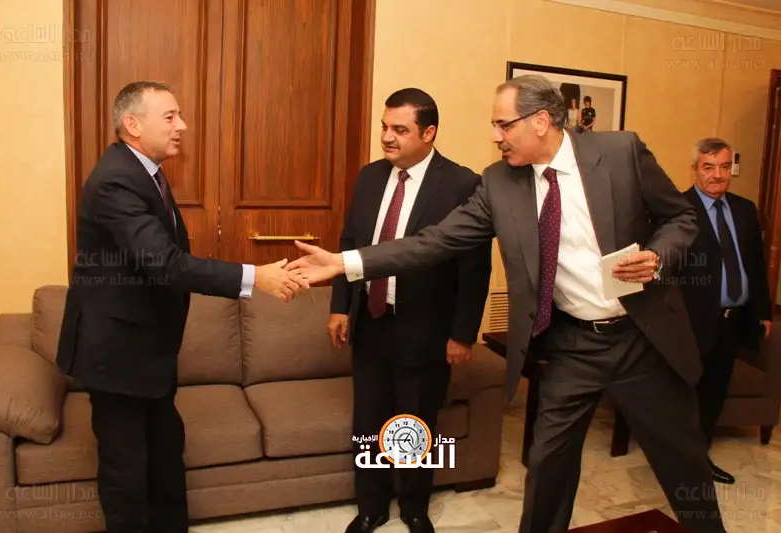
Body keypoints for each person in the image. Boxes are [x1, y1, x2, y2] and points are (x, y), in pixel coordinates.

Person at [287, 75, 728, 533]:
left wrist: (658, 257)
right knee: (547, 464)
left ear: (541, 121)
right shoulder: (499, 182)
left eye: (503, 124)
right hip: (573, 344)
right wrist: (345, 263)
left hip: (640, 338)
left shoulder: (620, 152)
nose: (494, 136)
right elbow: (435, 242)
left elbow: (681, 217)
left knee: (683, 462)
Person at [55, 81, 308, 533]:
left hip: (147, 351)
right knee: (126, 474)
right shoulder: (116, 180)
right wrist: (255, 276)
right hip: (117, 355)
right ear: (133, 124)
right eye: (170, 117)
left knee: (166, 455)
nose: (182, 126)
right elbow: (165, 264)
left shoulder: (145, 171)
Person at [330, 88, 492, 533]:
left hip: (425, 329)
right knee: (369, 421)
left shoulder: (462, 184)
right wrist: (340, 306)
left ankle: (414, 507)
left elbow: (475, 268)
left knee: (416, 420)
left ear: (428, 132)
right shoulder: (369, 177)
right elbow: (350, 245)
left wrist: (462, 333)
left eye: (399, 129)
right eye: (384, 127)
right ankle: (371, 507)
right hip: (371, 321)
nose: (387, 137)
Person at [677, 137, 773, 485]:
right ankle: (680, 462)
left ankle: (698, 460)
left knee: (714, 393)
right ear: (695, 170)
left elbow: (755, 265)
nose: (717, 175)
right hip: (691, 322)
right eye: (708, 167)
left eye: (723, 167)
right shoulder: (678, 210)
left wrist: (763, 311)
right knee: (685, 394)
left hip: (733, 321)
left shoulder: (745, 210)